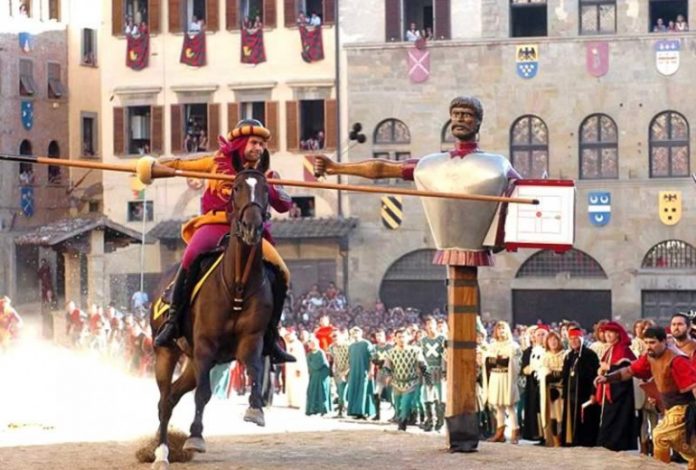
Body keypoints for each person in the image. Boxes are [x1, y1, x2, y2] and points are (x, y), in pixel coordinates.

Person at [138, 119, 295, 364]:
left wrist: (273, 187)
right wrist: (153, 168)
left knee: (283, 272)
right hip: (215, 224)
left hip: (250, 234)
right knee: (190, 257)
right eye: (254, 142)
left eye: (262, 144)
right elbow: (180, 165)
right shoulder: (214, 163)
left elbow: (284, 205)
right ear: (242, 143)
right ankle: (173, 321)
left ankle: (272, 335)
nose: (259, 148)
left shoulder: (267, 173)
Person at [314, 96, 521, 267]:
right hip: (448, 245)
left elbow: (525, 192)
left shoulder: (498, 165)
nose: (459, 119)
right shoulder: (431, 164)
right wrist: (336, 168)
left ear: (477, 122)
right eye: (455, 115)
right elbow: (384, 169)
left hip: (478, 245)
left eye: (466, 115)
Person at [595, 327, 696, 467]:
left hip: (684, 408)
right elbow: (630, 370)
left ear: (664, 341)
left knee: (659, 437)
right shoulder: (650, 356)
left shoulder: (677, 360)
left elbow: (694, 385)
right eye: (647, 342)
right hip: (671, 409)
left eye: (653, 342)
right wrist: (608, 378)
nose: (649, 346)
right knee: (687, 446)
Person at [594, 321, 637, 451]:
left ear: (618, 335)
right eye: (606, 332)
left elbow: (625, 371)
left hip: (620, 394)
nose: (607, 335)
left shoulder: (623, 350)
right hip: (610, 391)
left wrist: (607, 368)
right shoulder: (610, 348)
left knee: (617, 422)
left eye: (610, 332)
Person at [560, 327, 600, 447]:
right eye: (571, 339)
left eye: (576, 338)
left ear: (581, 339)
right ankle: (572, 440)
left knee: (586, 420)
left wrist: (593, 393)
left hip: (585, 393)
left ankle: (585, 442)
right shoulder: (569, 356)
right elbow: (565, 375)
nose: (573, 341)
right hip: (571, 394)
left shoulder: (590, 355)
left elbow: (595, 376)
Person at [383, 328, 429, 431]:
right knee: (397, 406)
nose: (401, 339)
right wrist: (388, 376)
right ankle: (401, 421)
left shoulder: (416, 350)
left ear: (408, 337)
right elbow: (386, 367)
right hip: (396, 383)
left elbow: (423, 365)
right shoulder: (390, 352)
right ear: (395, 338)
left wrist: (427, 377)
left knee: (405, 405)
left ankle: (402, 427)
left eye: (403, 337)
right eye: (399, 337)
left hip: (411, 382)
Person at [484, 321, 522, 444]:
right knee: (498, 406)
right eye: (499, 329)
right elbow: (488, 360)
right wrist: (496, 360)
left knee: (510, 405)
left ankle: (515, 431)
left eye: (503, 329)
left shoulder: (513, 345)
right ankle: (500, 433)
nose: (501, 331)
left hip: (507, 376)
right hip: (496, 375)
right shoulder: (492, 345)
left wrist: (505, 361)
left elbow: (516, 362)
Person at [521, 325, 547, 443]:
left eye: (543, 334)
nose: (541, 337)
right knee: (533, 407)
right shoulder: (528, 351)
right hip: (532, 383)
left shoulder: (549, 349)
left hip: (545, 382)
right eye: (538, 335)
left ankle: (545, 433)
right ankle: (534, 432)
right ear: (534, 337)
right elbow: (524, 368)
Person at [539, 330, 565, 446]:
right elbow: (544, 373)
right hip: (550, 391)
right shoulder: (545, 356)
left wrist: (556, 374)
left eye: (555, 339)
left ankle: (563, 438)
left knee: (563, 415)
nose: (553, 342)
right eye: (550, 340)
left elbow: (565, 372)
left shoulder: (565, 355)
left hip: (563, 390)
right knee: (553, 416)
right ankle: (555, 440)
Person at [420, 315, 446, 431]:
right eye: (428, 325)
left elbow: (446, 356)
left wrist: (445, 370)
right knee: (427, 394)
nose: (430, 328)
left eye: (432, 325)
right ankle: (430, 420)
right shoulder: (423, 341)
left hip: (439, 369)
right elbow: (421, 356)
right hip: (428, 370)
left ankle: (440, 421)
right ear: (425, 327)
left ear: (436, 326)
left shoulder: (442, 339)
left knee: (440, 395)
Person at [345, 326, 375, 418]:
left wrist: (371, 370)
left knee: (364, 390)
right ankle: (355, 411)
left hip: (363, 370)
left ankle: (364, 411)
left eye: (357, 331)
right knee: (354, 390)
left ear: (361, 333)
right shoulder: (351, 346)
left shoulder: (366, 344)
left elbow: (372, 358)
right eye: (353, 332)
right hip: (354, 372)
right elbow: (349, 360)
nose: (355, 333)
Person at [305, 336, 331, 416]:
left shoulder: (321, 352)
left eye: (313, 343)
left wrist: (314, 366)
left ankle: (323, 409)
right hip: (313, 376)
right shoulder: (309, 354)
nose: (312, 345)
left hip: (321, 376)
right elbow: (309, 365)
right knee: (312, 392)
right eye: (310, 344)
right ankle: (312, 409)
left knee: (322, 392)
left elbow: (321, 364)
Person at [327, 329, 351, 418]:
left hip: (347, 371)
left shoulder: (348, 346)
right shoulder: (332, 347)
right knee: (339, 392)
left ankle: (343, 411)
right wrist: (335, 370)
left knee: (342, 392)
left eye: (336, 336)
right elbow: (334, 359)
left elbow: (351, 360)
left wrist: (345, 372)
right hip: (337, 371)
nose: (334, 338)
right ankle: (341, 410)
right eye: (333, 336)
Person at [284, 330, 308, 409]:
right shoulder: (287, 345)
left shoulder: (298, 345)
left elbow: (300, 358)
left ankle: (297, 403)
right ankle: (290, 402)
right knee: (290, 385)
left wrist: (299, 369)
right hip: (289, 369)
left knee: (297, 386)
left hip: (296, 369)